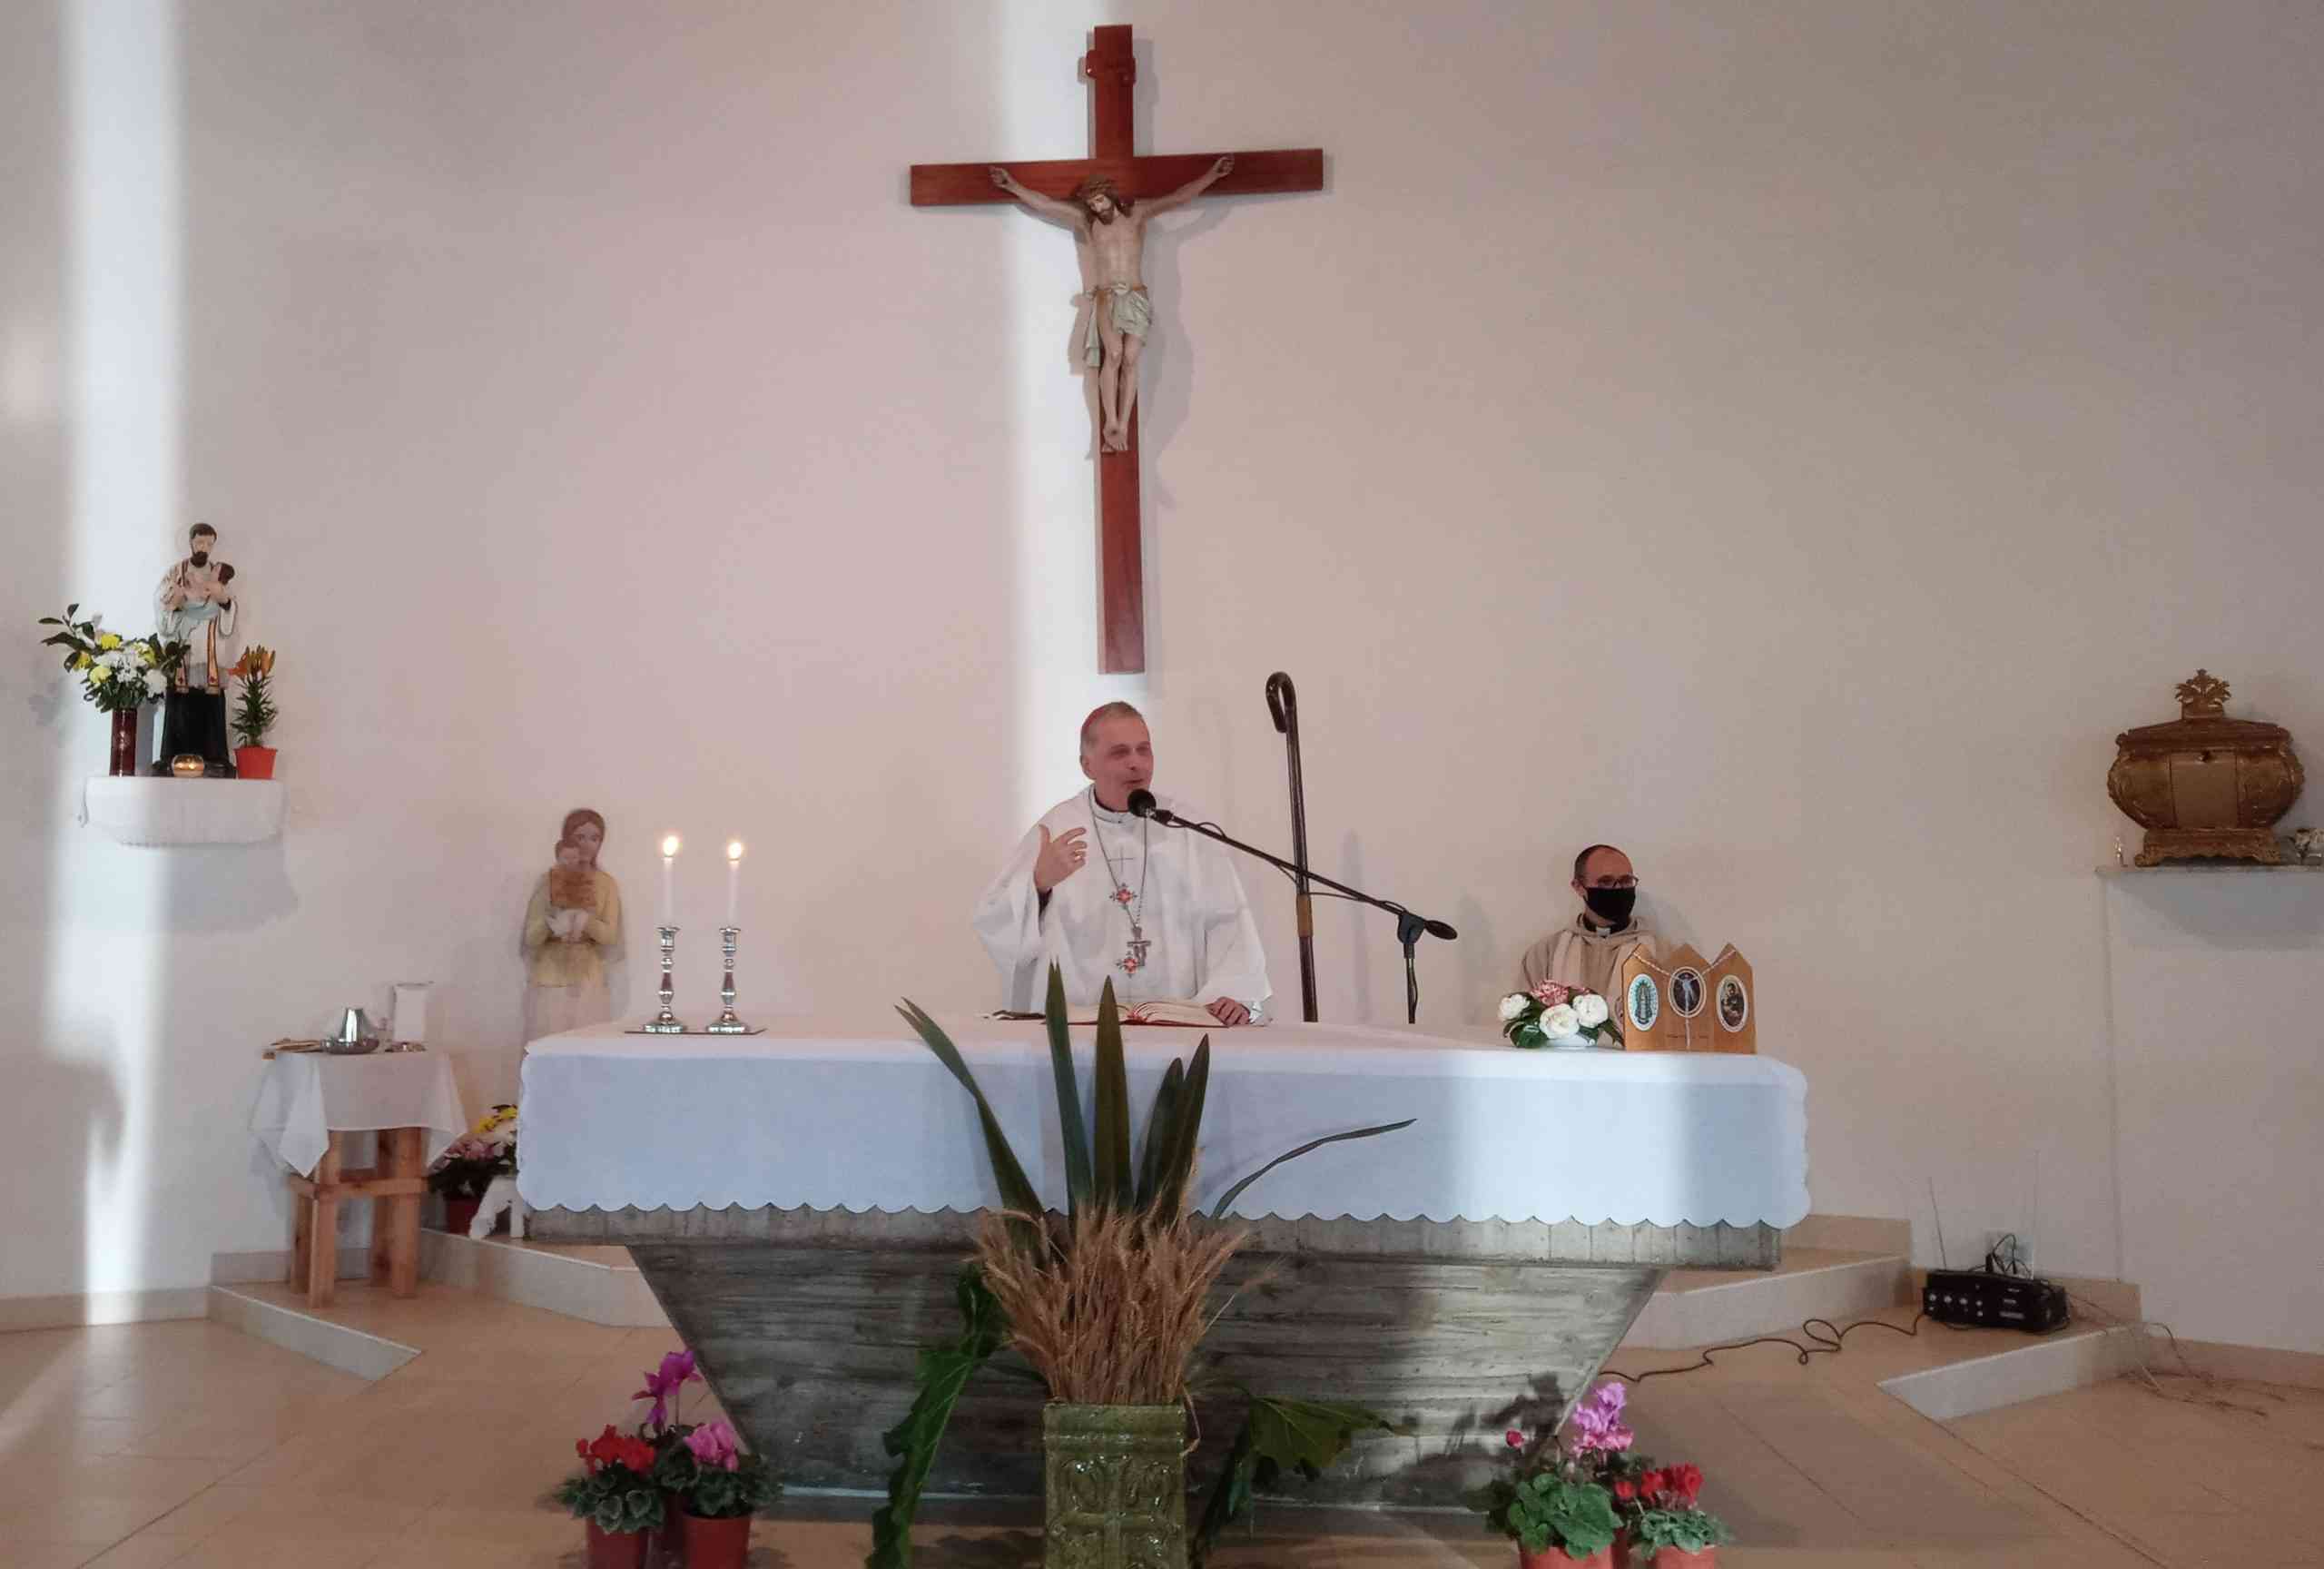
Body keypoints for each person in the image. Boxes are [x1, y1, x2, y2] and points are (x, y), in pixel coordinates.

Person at [972, 702, 1270, 1024]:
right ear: (1087, 766)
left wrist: (1232, 991)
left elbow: (1228, 919)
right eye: (1120, 753)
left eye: (1144, 750)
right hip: (1081, 1027)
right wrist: (1038, 885)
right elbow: (995, 924)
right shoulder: (1056, 829)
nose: (1136, 763)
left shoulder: (1185, 828)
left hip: (1177, 1022)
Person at [989, 156, 1235, 452]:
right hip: (1107, 296)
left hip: (1136, 294)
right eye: (1091, 204)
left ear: (1110, 195)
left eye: (1099, 200)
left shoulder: (1138, 214)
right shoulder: (1088, 221)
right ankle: (1111, 422)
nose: (1096, 207)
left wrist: (1212, 176)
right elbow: (1046, 205)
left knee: (1130, 359)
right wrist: (1012, 185)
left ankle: (1123, 423)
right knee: (1114, 354)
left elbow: (1178, 197)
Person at [522, 808, 624, 1041]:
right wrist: (553, 923)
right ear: (567, 839)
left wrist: (586, 921)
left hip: (587, 981)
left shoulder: (606, 884)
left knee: (588, 1050)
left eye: (594, 838)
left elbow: (610, 936)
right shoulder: (548, 880)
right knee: (548, 1049)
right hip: (550, 980)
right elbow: (531, 937)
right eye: (580, 837)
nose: (587, 845)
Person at [1516, 844, 1657, 1002]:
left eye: (1626, 881)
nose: (1618, 889)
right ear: (1578, 887)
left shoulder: (1660, 954)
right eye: (1605, 882)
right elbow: (1523, 1015)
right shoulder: (1544, 955)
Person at [153, 523, 241, 772]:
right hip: (184, 646)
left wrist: (224, 601)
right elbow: (162, 604)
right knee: (181, 700)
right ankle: (174, 756)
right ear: (191, 542)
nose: (204, 548)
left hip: (209, 647)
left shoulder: (219, 573)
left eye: (209, 543)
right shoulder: (176, 572)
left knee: (210, 701)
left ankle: (214, 757)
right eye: (200, 542)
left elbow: (229, 609)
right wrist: (174, 603)